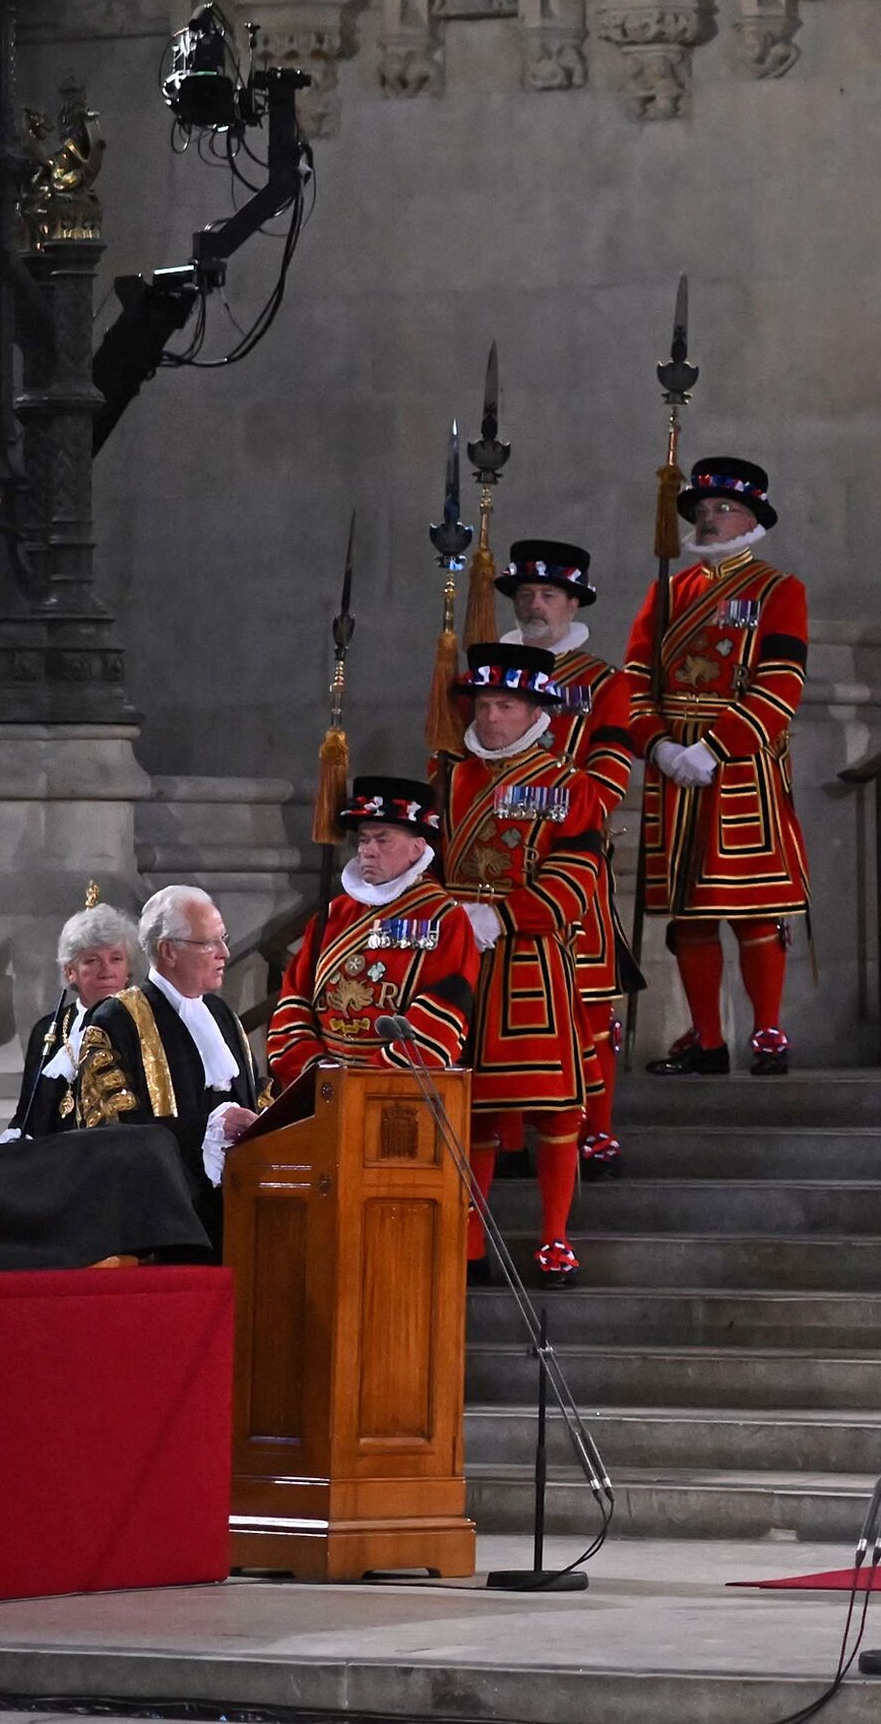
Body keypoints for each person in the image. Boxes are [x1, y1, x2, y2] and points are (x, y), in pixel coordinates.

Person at [433, 642, 626, 1282]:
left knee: (554, 1106)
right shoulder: (448, 779)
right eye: (484, 704)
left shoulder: (570, 786)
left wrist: (502, 916)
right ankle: (469, 1241)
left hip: (532, 965)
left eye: (506, 706)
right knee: (474, 1107)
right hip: (460, 964)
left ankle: (554, 1236)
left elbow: (575, 880)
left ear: (536, 711)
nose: (491, 717)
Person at [630, 454, 813, 1077]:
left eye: (723, 509)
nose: (708, 520)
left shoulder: (778, 591)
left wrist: (713, 748)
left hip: (740, 767)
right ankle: (707, 1039)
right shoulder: (666, 592)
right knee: (689, 912)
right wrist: (657, 745)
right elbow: (635, 680)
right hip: (673, 766)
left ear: (752, 519)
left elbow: (781, 685)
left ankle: (768, 1032)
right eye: (702, 510)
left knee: (753, 907)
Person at [497, 536, 649, 1175]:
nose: (535, 605)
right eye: (527, 593)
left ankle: (596, 1130)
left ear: (573, 603)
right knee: (497, 1002)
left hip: (570, 864)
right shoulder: (483, 677)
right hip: (492, 869)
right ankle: (504, 1136)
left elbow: (607, 784)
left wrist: (522, 798)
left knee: (587, 1004)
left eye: (548, 594)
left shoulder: (604, 683)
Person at [263, 777, 492, 1091]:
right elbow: (294, 1001)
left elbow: (444, 1012)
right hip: (321, 1087)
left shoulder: (444, 918)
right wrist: (318, 1075)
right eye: (363, 840)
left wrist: (367, 1083)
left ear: (416, 848)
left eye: (383, 840)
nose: (367, 851)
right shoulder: (334, 914)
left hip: (396, 1090)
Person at [66, 886, 261, 1237]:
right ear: (168, 951)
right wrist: (208, 1132)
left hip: (244, 1205)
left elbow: (257, 1092)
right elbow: (112, 1132)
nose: (225, 953)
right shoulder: (116, 1020)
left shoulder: (222, 1015)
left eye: (224, 939)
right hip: (166, 1222)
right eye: (210, 943)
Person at [2, 899, 137, 1143]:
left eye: (116, 959)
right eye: (92, 960)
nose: (106, 970)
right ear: (69, 971)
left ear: (128, 969)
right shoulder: (47, 1029)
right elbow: (26, 1116)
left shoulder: (145, 1024)